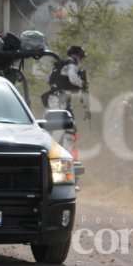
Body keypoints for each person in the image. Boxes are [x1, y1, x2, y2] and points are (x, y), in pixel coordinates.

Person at [43, 45, 89, 189]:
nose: (80, 61)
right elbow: (74, 79)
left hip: (55, 100)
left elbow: (48, 78)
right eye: (80, 57)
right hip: (60, 101)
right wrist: (83, 83)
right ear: (77, 56)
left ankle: (59, 171)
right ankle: (59, 172)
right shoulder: (71, 63)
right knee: (62, 134)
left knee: (63, 134)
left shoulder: (59, 64)